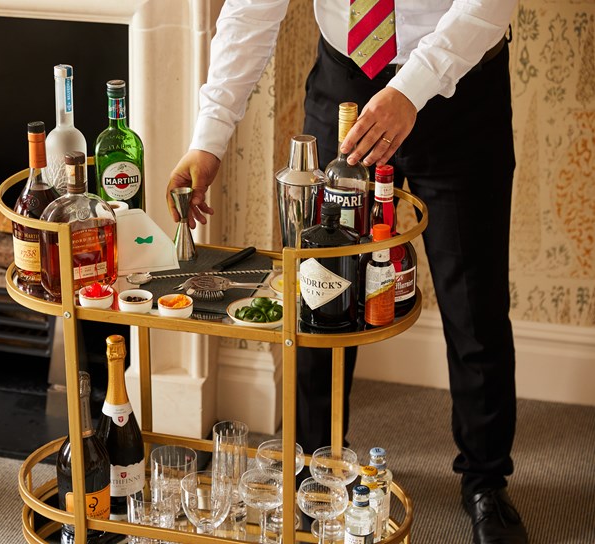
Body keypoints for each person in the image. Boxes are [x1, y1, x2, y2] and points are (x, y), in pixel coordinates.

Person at [165, 1, 527, 543]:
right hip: (346, 85)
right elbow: (249, 10)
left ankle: (485, 481)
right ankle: (315, 469)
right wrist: (208, 139)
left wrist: (411, 90)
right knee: (319, 294)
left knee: (472, 301)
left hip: (459, 85)